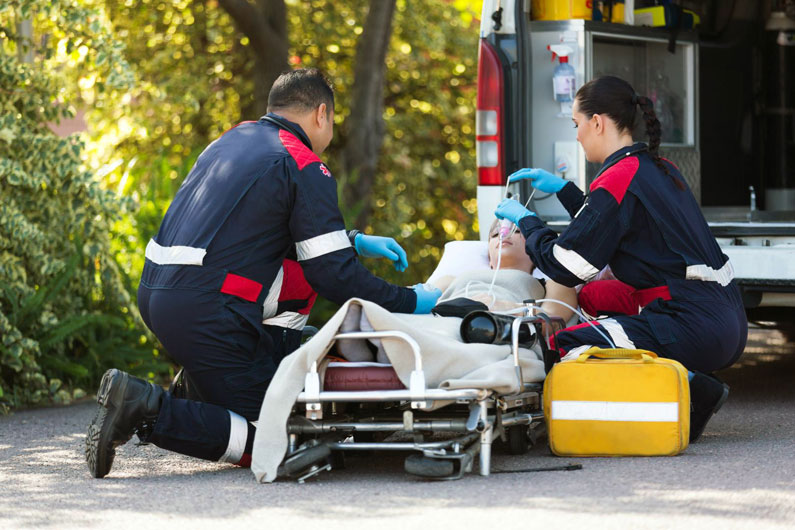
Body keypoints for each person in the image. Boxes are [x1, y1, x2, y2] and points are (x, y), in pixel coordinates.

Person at [85, 68, 442, 478]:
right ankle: (146, 409)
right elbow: (334, 276)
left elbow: (253, 230)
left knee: (290, 290)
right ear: (321, 114)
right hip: (208, 311)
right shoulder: (305, 164)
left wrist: (353, 239)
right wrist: (412, 300)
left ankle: (202, 386)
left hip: (161, 295)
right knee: (289, 438)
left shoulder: (233, 140)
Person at [494, 76, 747, 442]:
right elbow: (613, 221)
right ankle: (691, 386)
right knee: (597, 300)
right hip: (724, 319)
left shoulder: (618, 177)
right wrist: (565, 191)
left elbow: (567, 265)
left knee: (567, 344)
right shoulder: (658, 167)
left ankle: (686, 391)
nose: (578, 135)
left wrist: (527, 222)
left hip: (693, 324)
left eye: (577, 124)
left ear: (597, 122)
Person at [430, 218, 577, 323]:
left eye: (517, 231)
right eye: (495, 235)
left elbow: (553, 321)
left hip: (493, 330)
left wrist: (506, 308)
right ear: (489, 257)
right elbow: (415, 301)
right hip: (441, 324)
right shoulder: (450, 280)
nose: (503, 235)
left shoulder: (554, 283)